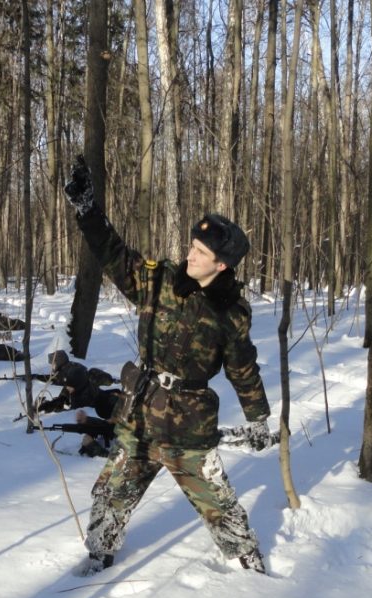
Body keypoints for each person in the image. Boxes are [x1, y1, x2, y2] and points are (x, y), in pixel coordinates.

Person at [63, 156, 275, 576]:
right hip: (139, 417)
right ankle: (99, 557)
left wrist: (258, 419)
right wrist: (87, 211)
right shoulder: (158, 280)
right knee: (110, 493)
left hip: (189, 428)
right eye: (192, 247)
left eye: (201, 252)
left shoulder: (231, 312)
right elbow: (113, 254)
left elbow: (242, 368)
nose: (190, 255)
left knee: (219, 505)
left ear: (223, 264)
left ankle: (251, 569)